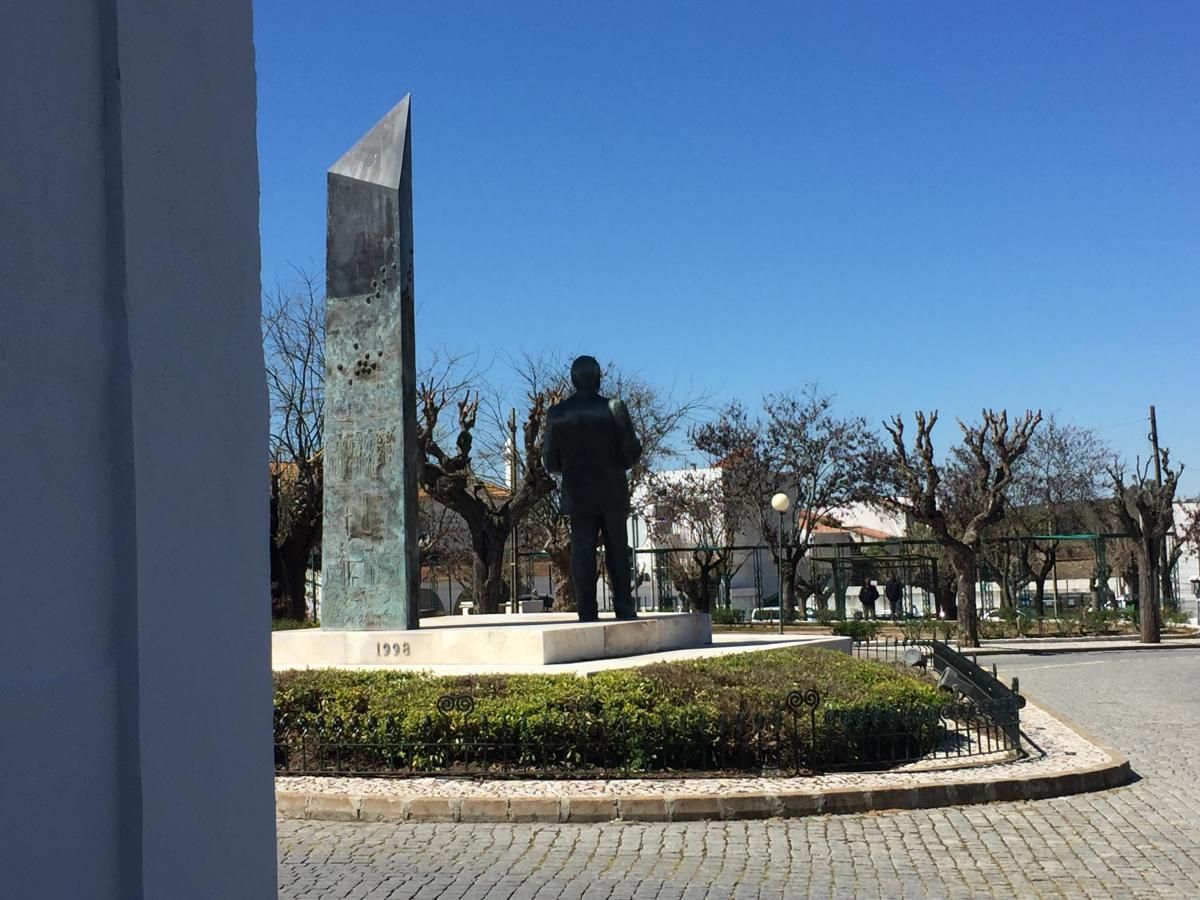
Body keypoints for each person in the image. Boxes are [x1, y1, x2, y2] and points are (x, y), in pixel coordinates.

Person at [541, 356, 643, 621]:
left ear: (573, 381)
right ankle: (624, 606)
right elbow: (631, 452)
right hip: (612, 490)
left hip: (577, 493)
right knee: (618, 550)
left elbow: (550, 461)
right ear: (598, 378)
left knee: (582, 550)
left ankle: (586, 610)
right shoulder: (614, 407)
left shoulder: (557, 414)